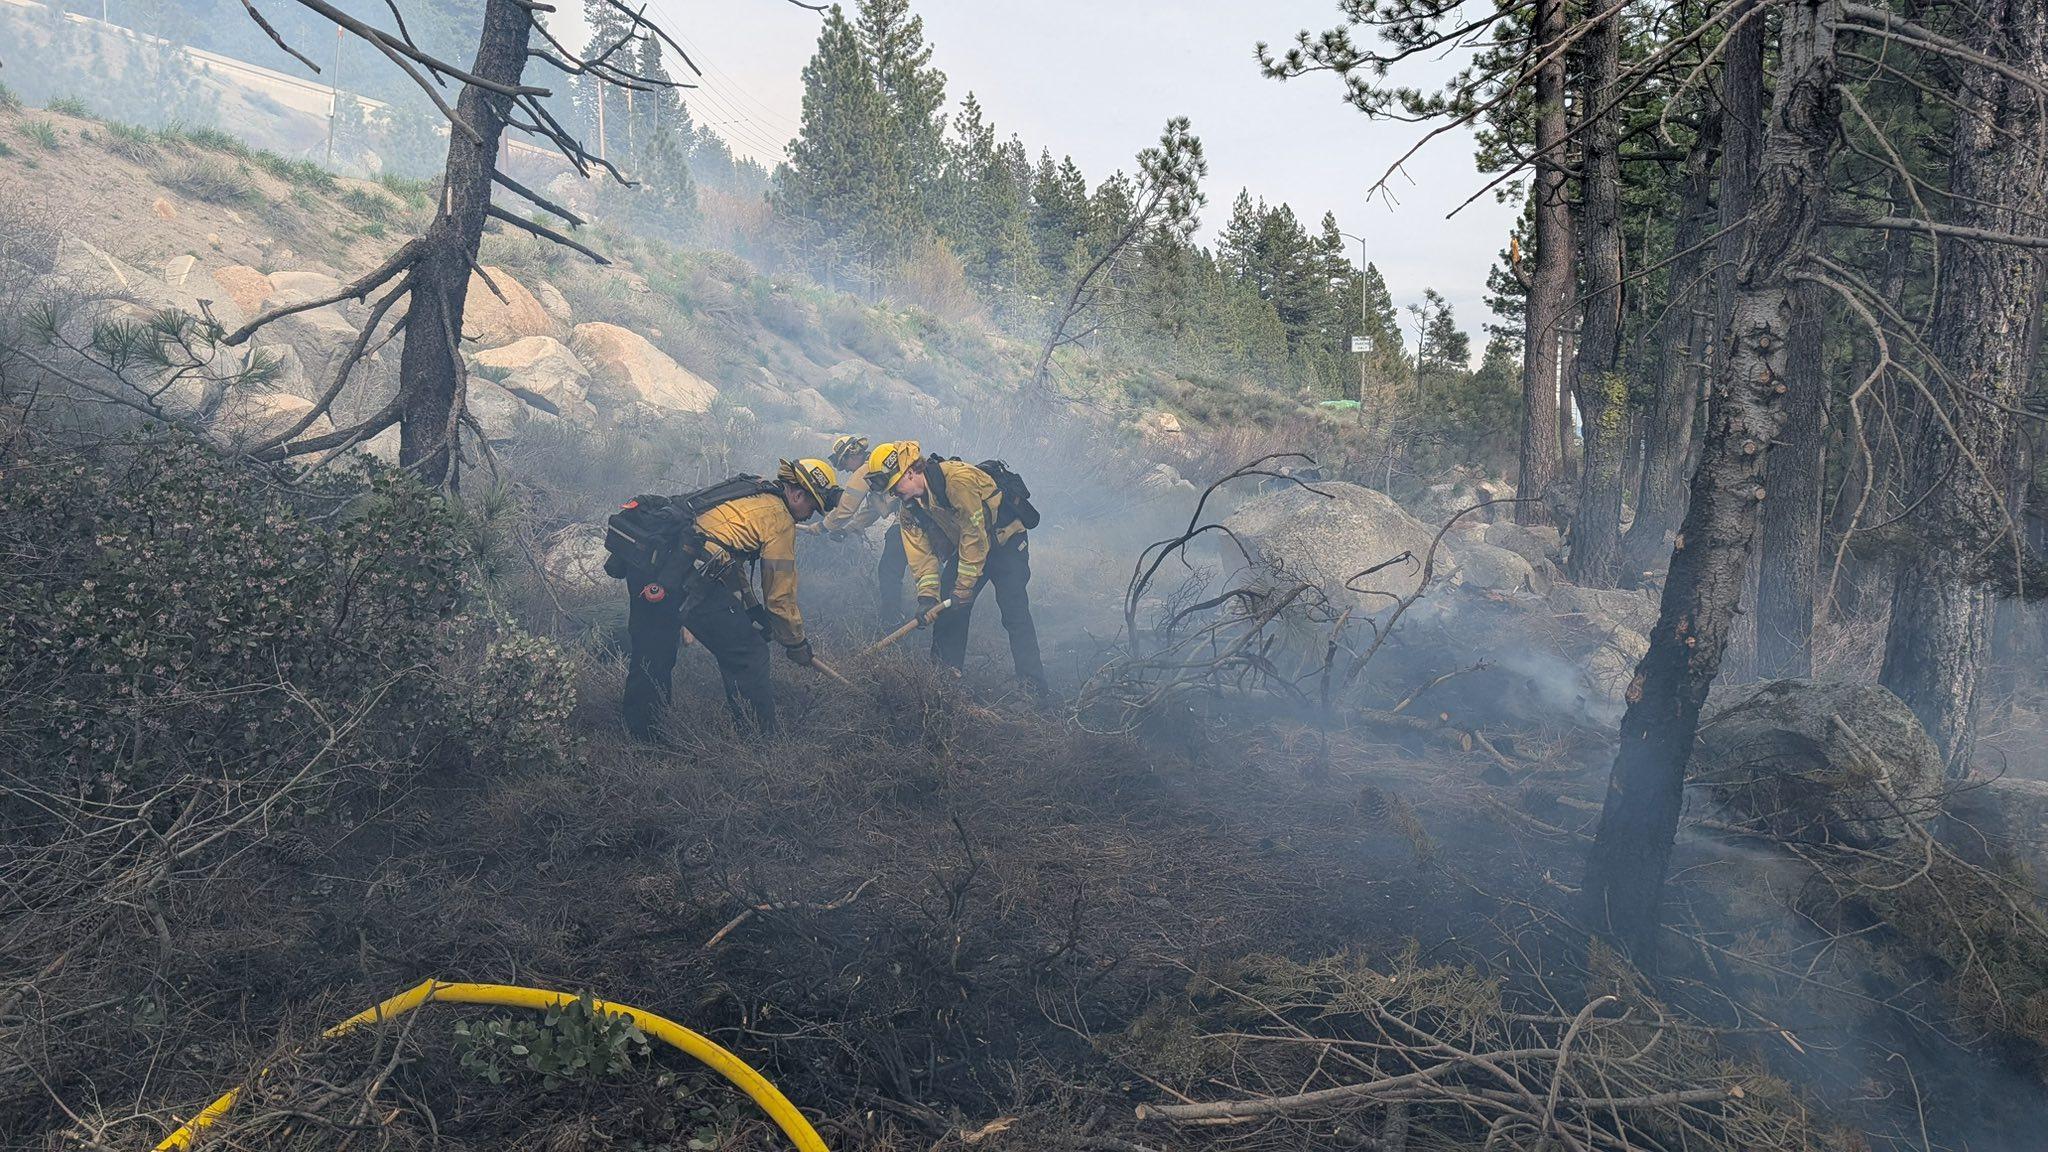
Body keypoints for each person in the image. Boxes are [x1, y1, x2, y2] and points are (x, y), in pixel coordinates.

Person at [610, 458, 842, 738]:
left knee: (653, 651)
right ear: (797, 493)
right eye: (812, 507)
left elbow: (723, 554)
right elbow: (780, 597)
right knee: (749, 654)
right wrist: (796, 643)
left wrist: (751, 608)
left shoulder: (751, 489)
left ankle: (641, 738)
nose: (810, 515)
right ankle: (761, 744)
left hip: (652, 566)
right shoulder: (780, 520)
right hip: (687, 579)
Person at [864, 441, 1047, 695]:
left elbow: (976, 534)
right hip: (968, 548)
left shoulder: (957, 481)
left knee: (1014, 613)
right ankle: (943, 685)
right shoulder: (909, 509)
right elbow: (922, 556)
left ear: (910, 471)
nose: (893, 493)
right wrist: (927, 597)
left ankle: (1033, 690)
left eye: (894, 485)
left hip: (1005, 544)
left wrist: (964, 587)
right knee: (949, 614)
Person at [820, 434, 909, 625]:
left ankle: (892, 619)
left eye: (844, 465)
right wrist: (849, 529)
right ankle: (935, 602)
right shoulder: (876, 467)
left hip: (910, 517)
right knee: (931, 562)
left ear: (851, 455)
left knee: (888, 568)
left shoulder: (865, 470)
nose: (846, 470)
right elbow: (872, 510)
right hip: (915, 516)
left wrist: (821, 526)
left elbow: (846, 508)